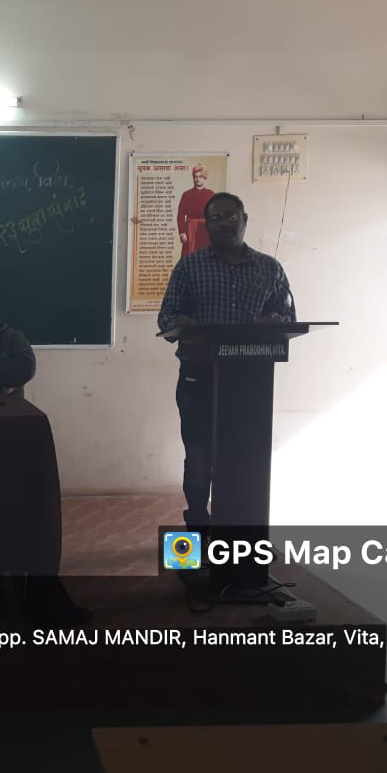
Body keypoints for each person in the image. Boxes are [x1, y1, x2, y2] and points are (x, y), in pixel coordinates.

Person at [157, 193, 296, 532]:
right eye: (216, 218)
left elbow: (289, 318)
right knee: (199, 459)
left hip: (250, 383)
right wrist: (185, 325)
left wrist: (275, 322)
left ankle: (239, 530)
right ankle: (198, 523)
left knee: (244, 458)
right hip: (199, 379)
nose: (224, 223)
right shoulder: (189, 267)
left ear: (244, 220)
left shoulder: (269, 268)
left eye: (231, 216)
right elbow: (166, 318)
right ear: (207, 225)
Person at [176, 164, 215, 258]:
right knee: (189, 259)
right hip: (190, 231)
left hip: (206, 231)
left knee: (205, 258)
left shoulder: (211, 194)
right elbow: (180, 215)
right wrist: (182, 232)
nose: (197, 179)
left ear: (204, 178)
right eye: (195, 177)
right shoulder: (186, 195)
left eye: (200, 176)